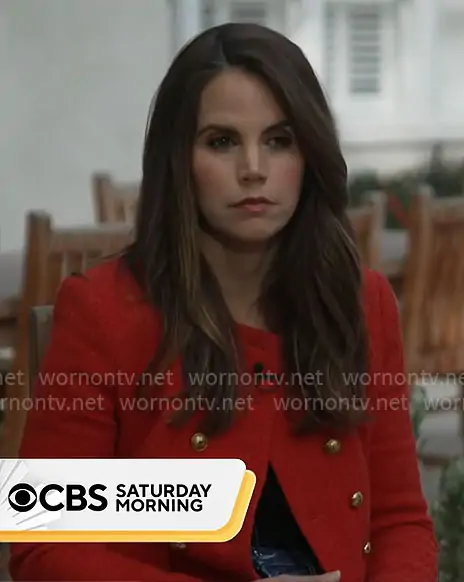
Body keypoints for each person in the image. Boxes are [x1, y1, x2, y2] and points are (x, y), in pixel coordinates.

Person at [9, 22, 437, 582]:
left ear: (309, 155)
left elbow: (400, 522)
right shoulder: (104, 312)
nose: (253, 168)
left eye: (279, 140)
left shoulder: (360, 301)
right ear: (179, 159)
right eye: (222, 141)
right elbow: (43, 545)